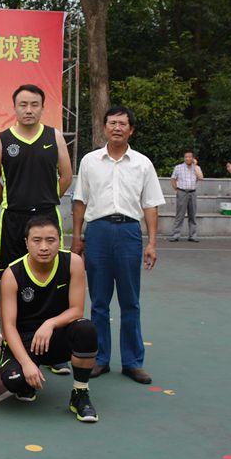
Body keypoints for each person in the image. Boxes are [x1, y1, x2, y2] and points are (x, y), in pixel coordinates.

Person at [72, 106, 165, 384]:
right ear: (104, 127)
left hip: (129, 232)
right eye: (112, 123)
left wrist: (152, 243)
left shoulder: (142, 164)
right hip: (97, 232)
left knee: (130, 301)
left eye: (122, 124)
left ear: (131, 130)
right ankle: (99, 359)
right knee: (99, 301)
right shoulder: (89, 161)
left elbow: (150, 205)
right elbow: (80, 200)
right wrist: (76, 237)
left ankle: (132, 362)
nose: (117, 128)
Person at [0, 84, 72, 375]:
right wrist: (13, 204)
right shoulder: (1, 140)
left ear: (42, 107)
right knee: (10, 281)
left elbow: (66, 176)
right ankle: (8, 345)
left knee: (54, 279)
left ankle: (55, 350)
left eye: (34, 104)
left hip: (48, 217)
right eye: (23, 104)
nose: (28, 110)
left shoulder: (54, 136)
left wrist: (47, 200)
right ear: (14, 107)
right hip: (13, 220)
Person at [0, 215, 100, 423]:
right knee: (15, 381)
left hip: (56, 336)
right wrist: (26, 363)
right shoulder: (12, 273)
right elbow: (8, 326)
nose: (44, 247)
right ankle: (26, 377)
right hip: (25, 339)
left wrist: (50, 323)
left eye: (50, 240)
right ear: (26, 242)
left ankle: (80, 393)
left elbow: (77, 310)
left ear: (59, 241)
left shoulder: (73, 262)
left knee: (86, 329)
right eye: (37, 240)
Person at [169, 151, 203, 242]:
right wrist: (177, 189)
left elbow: (200, 177)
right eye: (186, 157)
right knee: (180, 215)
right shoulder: (178, 167)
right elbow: (173, 179)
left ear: (193, 158)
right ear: (184, 158)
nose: (188, 158)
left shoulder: (196, 168)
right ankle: (175, 235)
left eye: (190, 157)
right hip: (182, 192)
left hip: (193, 193)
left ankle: (192, 236)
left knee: (192, 215)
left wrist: (195, 165)